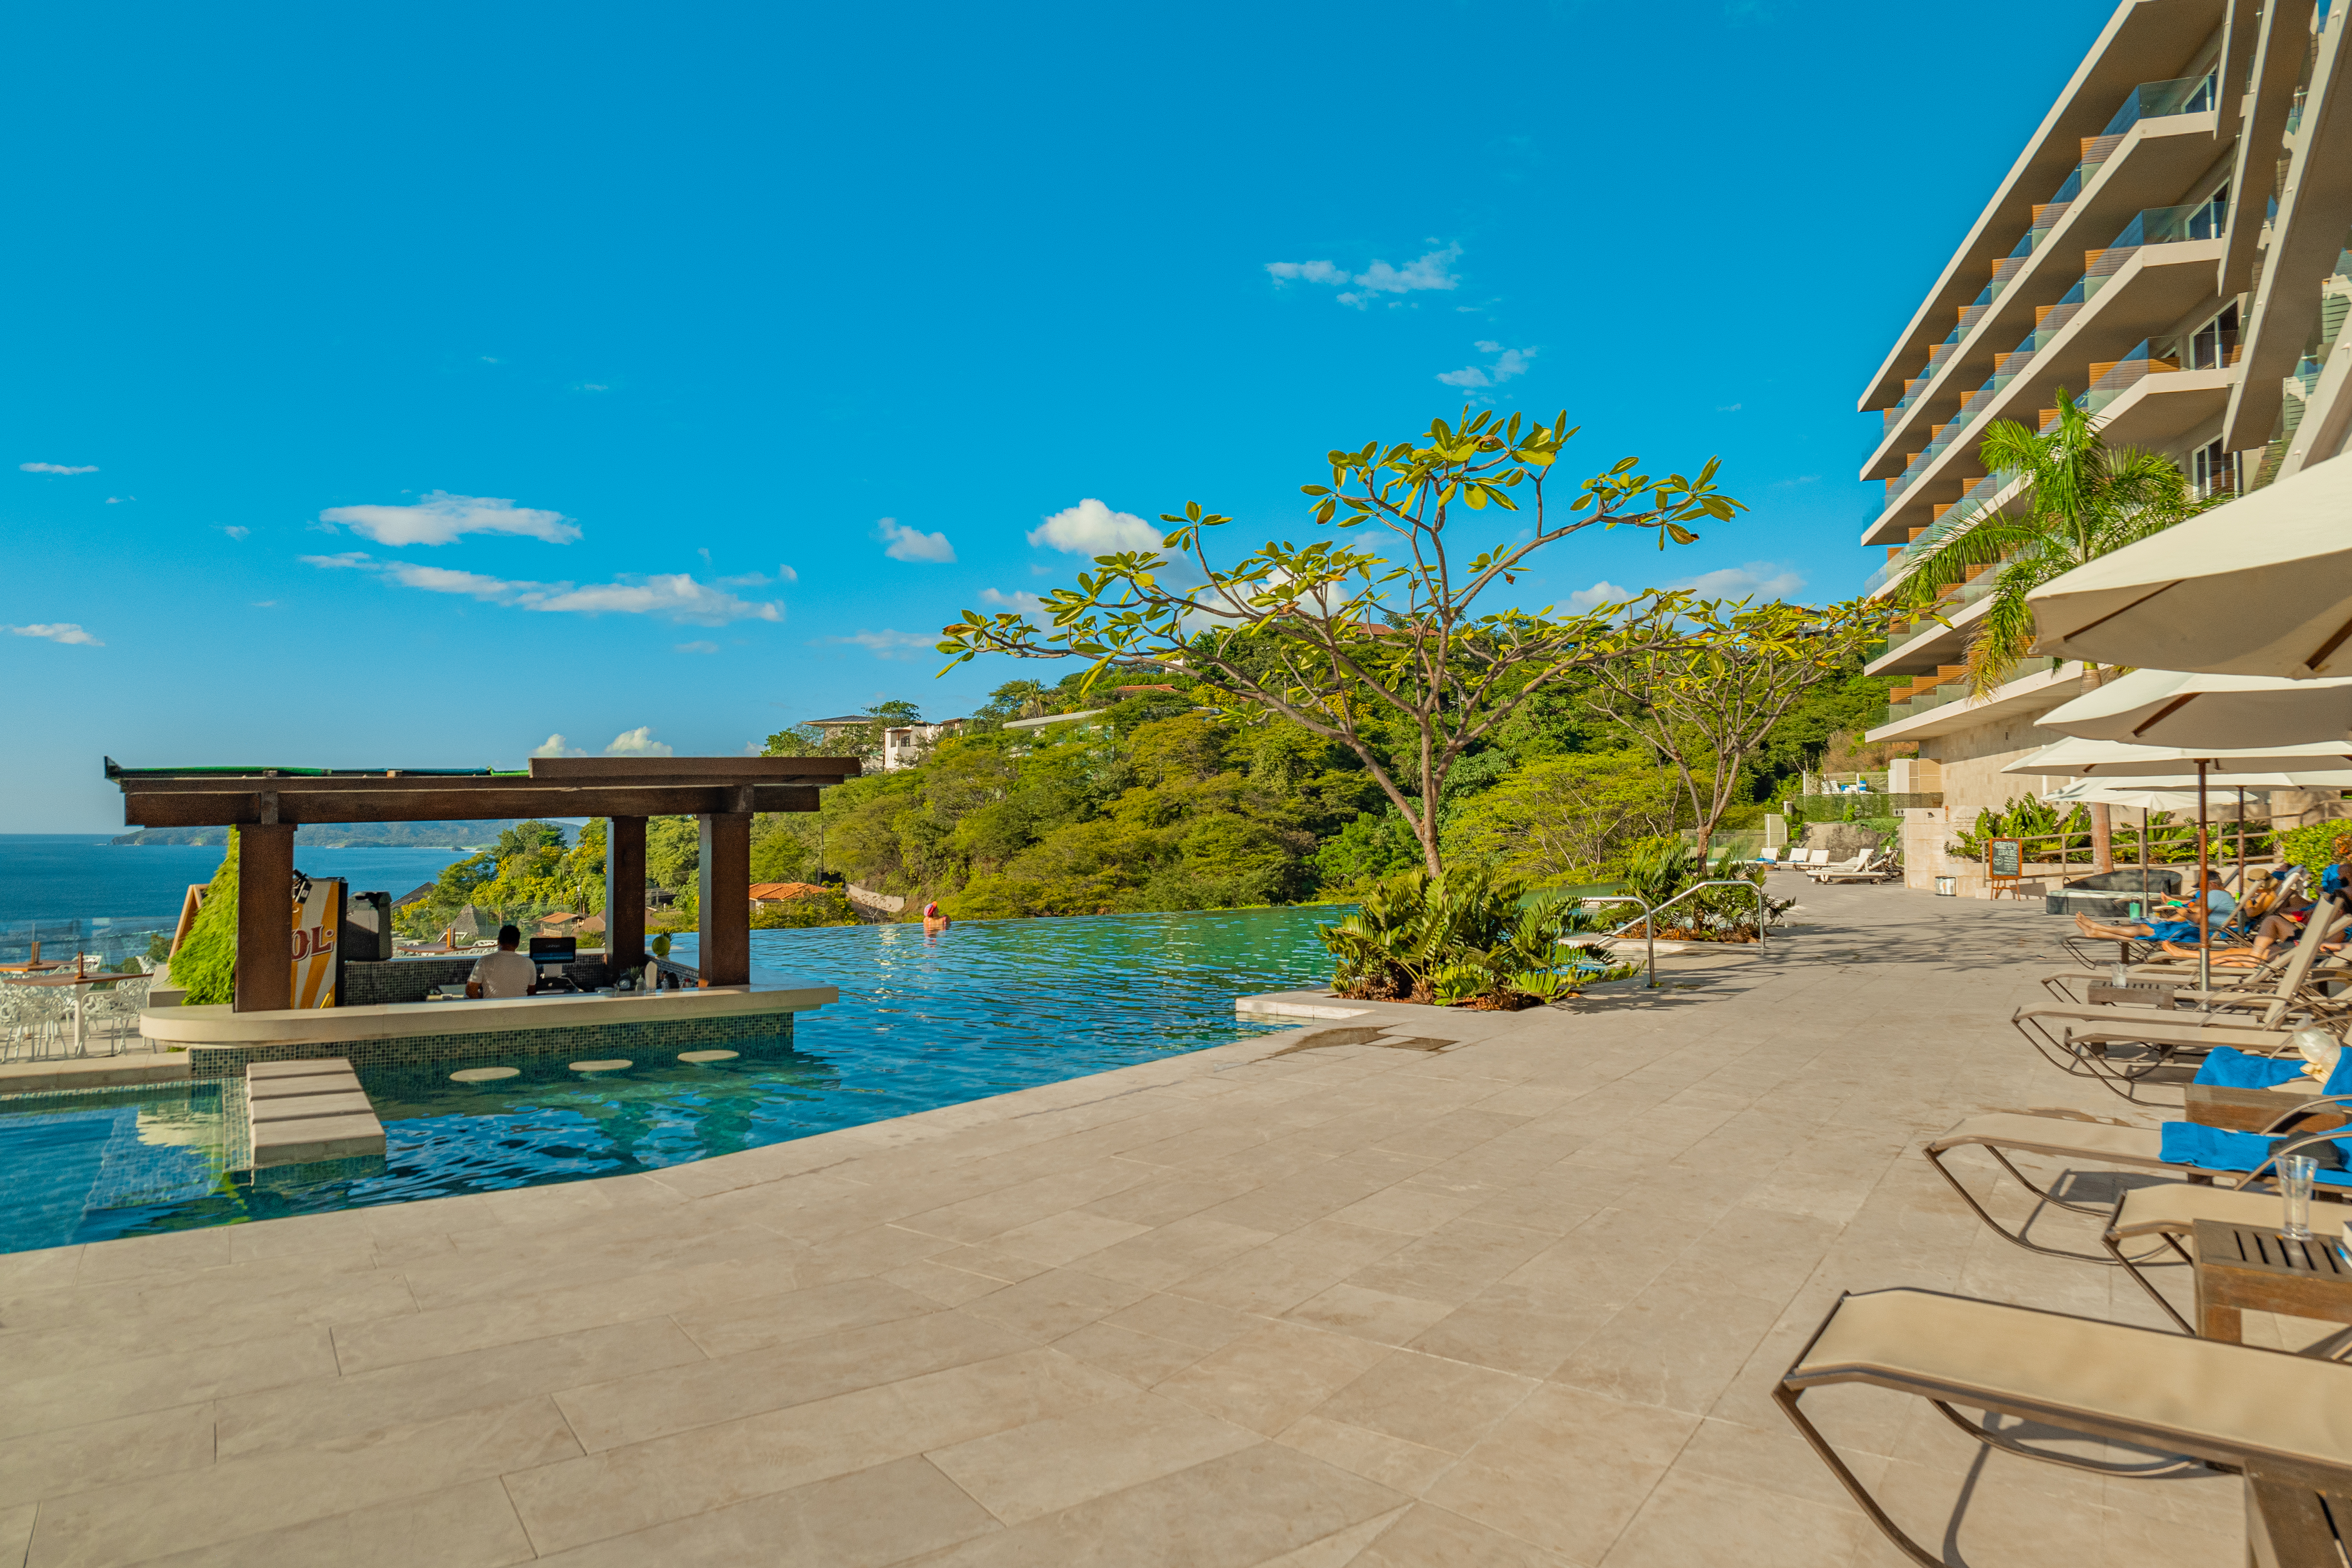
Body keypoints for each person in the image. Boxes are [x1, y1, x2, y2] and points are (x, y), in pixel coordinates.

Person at [465, 924, 537, 998]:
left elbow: (471, 991)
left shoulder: (484, 961)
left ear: (498, 941)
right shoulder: (529, 964)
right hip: (519, 1009)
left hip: (492, 1009)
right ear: (518, 944)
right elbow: (531, 993)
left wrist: (483, 1000)